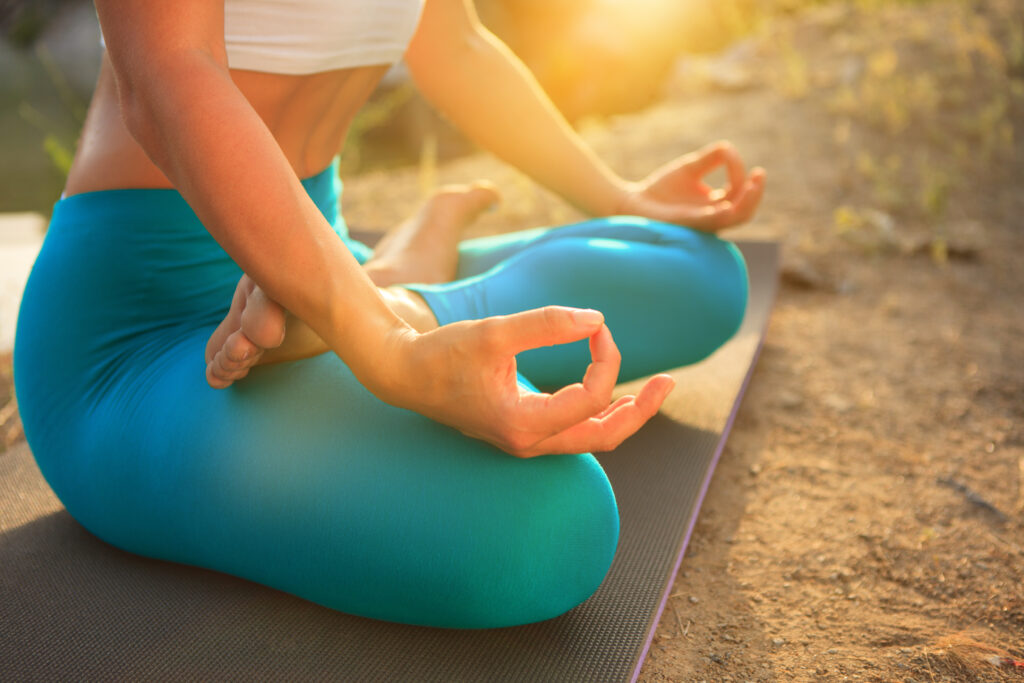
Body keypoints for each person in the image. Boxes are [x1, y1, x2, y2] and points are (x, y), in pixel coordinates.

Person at [13, 0, 765, 629]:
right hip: (137, 346)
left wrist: (621, 198)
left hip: (315, 253)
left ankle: (384, 293)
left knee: (699, 272)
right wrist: (391, 355)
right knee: (547, 530)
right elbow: (166, 77)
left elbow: (458, 46)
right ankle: (373, 299)